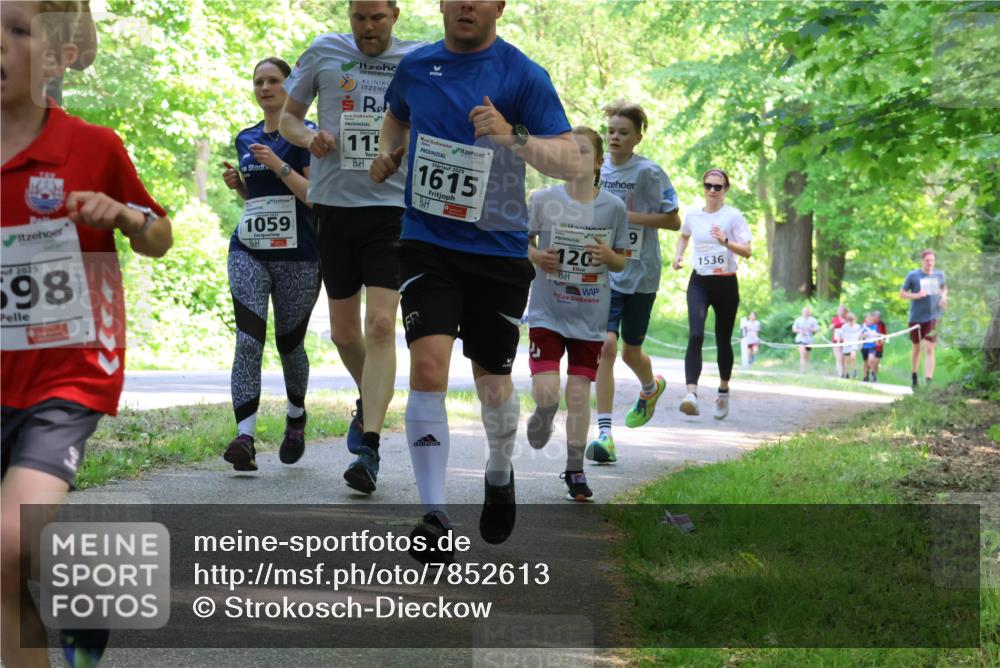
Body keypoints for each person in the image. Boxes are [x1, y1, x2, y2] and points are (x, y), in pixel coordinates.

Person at [370, 0, 578, 562]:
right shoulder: (415, 67)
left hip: (499, 249)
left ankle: (499, 466)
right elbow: (397, 117)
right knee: (429, 364)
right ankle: (434, 514)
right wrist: (390, 153)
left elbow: (568, 160)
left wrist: (514, 136)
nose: (467, 3)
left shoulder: (522, 74)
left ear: (500, 6)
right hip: (427, 241)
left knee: (492, 384)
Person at [2, 2, 173, 666]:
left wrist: (126, 215)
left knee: (9, 542)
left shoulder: (92, 147)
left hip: (69, 372)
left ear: (53, 57)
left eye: (16, 32)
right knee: (4, 568)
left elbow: (159, 235)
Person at [280, 0, 423, 493]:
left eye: (377, 18)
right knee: (344, 335)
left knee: (382, 323)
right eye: (359, 18)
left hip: (392, 210)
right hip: (334, 209)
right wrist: (310, 135)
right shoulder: (323, 52)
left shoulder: (418, 59)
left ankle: (371, 447)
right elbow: (288, 120)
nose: (367, 28)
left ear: (395, 15)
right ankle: (371, 397)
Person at [220, 57, 320, 473]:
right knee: (248, 339)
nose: (265, 87)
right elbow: (258, 199)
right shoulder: (245, 138)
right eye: (258, 81)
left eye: (273, 80)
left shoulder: (309, 136)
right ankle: (244, 436)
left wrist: (278, 166)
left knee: (289, 345)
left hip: (299, 256)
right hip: (250, 249)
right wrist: (241, 186)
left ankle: (296, 417)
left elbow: (316, 197)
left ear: (290, 85)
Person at [524, 127, 628, 500]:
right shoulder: (543, 199)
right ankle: (545, 410)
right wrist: (538, 256)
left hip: (590, 314)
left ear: (599, 162)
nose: (576, 158)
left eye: (584, 152)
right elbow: (523, 242)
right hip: (548, 310)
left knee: (580, 394)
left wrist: (607, 257)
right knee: (548, 391)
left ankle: (574, 471)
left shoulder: (614, 208)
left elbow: (621, 261)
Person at [585, 101, 680, 465]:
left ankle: (649, 387)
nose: (614, 138)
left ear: (638, 137)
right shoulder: (598, 168)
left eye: (623, 132)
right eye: (610, 131)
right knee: (606, 346)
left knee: (629, 352)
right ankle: (605, 435)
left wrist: (628, 217)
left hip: (641, 272)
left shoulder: (650, 173)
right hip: (606, 269)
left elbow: (673, 221)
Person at [672, 169, 751, 419]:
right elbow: (684, 235)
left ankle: (723, 390)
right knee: (695, 334)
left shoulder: (733, 216)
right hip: (700, 282)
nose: (712, 191)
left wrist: (725, 241)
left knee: (722, 341)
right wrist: (679, 255)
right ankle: (691, 395)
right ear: (703, 187)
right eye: (708, 185)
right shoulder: (694, 214)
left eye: (718, 186)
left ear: (725, 189)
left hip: (726, 284)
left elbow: (747, 251)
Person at [900, 249, 947, 388]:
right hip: (916, 317)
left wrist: (943, 297)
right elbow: (902, 294)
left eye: (932, 260)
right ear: (922, 261)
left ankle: (928, 380)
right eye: (927, 260)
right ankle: (914, 376)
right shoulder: (913, 275)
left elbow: (944, 288)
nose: (930, 263)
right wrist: (917, 295)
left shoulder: (939, 275)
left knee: (929, 348)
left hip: (933, 316)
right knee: (916, 348)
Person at [792, 306, 819, 373]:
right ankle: (802, 370)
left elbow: (817, 329)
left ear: (809, 312)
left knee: (807, 355)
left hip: (809, 340)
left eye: (807, 311)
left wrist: (810, 329)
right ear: (802, 312)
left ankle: (805, 369)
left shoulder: (812, 320)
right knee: (803, 354)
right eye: (804, 311)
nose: (805, 313)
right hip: (800, 339)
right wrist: (800, 331)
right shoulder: (798, 320)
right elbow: (794, 329)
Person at [839, 311, 863, 379]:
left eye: (852, 320)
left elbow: (860, 336)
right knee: (847, 360)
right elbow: (842, 336)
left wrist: (861, 344)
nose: (851, 322)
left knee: (853, 356)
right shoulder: (844, 327)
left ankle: (855, 370)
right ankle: (846, 373)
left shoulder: (857, 327)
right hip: (846, 345)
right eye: (849, 320)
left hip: (854, 345)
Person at [860, 311, 880, 382]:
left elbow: (878, 335)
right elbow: (859, 335)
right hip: (865, 346)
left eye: (872, 320)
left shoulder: (875, 327)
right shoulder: (863, 326)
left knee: (871, 360)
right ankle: (865, 376)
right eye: (869, 319)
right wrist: (863, 336)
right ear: (866, 319)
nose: (870, 321)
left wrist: (877, 342)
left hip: (872, 346)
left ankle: (873, 373)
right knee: (865, 361)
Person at [830, 304, 847, 377]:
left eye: (842, 310)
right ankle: (841, 374)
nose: (840, 312)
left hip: (846, 341)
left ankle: (844, 372)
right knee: (839, 358)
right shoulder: (835, 319)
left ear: (845, 312)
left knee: (844, 358)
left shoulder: (847, 319)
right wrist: (832, 327)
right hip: (836, 340)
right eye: (839, 310)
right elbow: (831, 328)